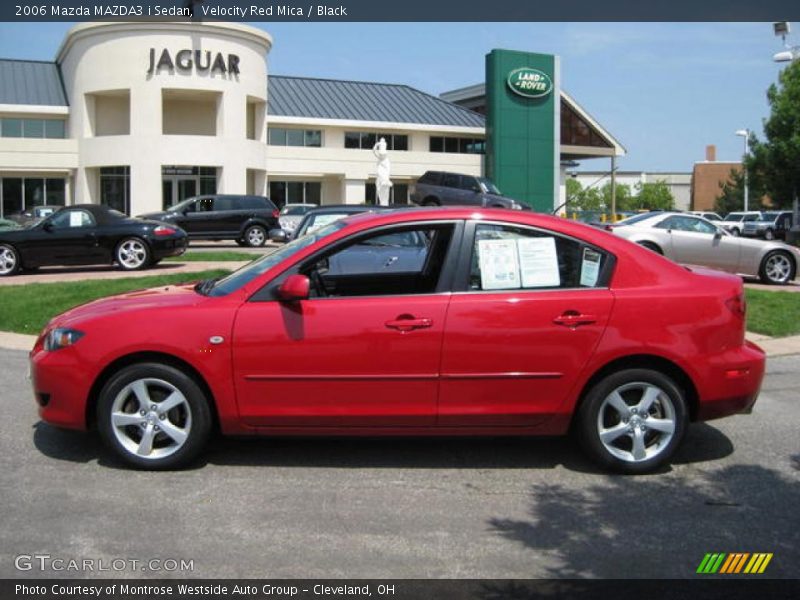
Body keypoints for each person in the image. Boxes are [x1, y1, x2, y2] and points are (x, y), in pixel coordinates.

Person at [372, 137, 393, 205]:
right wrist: (376, 145)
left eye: (383, 154)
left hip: (385, 175)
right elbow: (374, 152)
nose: (382, 155)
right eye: (381, 154)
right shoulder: (380, 158)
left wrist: (387, 178)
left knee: (385, 187)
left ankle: (385, 181)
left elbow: (388, 170)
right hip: (380, 175)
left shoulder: (386, 161)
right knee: (380, 184)